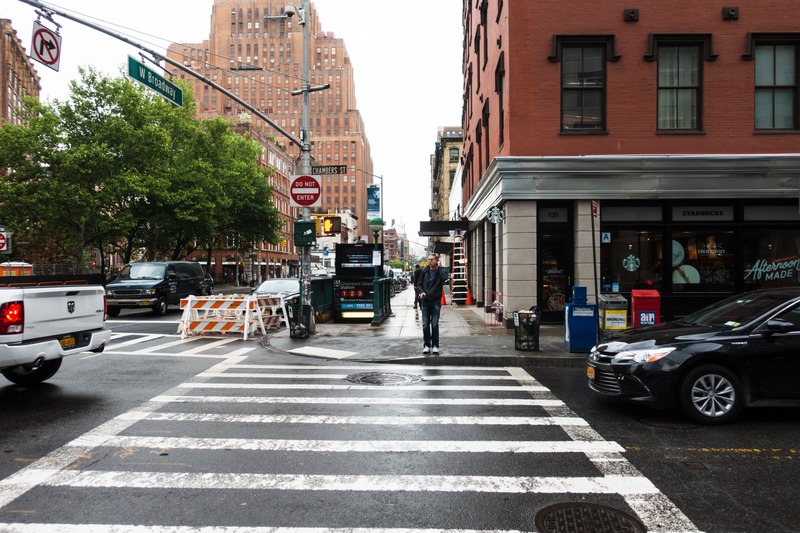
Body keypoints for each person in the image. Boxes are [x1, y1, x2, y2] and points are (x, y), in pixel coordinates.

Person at [415, 253, 448, 354]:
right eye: (429, 259)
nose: (429, 261)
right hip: (425, 301)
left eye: (432, 260)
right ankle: (426, 345)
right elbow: (419, 284)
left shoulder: (440, 271)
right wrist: (421, 292)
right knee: (425, 324)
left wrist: (440, 267)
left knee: (434, 324)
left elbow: (444, 279)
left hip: (435, 301)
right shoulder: (424, 271)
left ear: (437, 261)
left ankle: (435, 345)